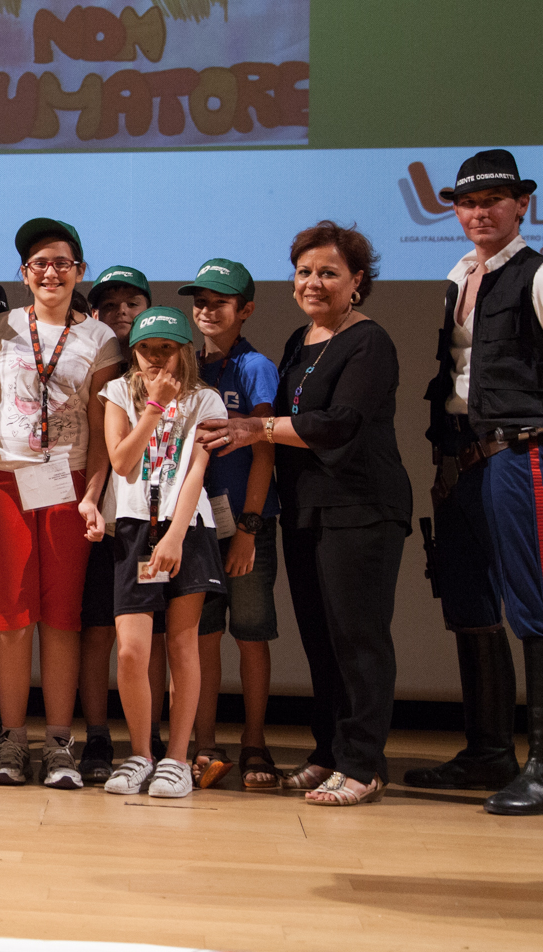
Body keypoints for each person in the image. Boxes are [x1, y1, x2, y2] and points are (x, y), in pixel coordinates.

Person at [409, 150, 543, 816]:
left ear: (521, 204)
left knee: (536, 603)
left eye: (493, 200)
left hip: (518, 454)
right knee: (469, 602)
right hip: (460, 460)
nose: (479, 212)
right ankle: (489, 752)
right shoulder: (458, 275)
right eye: (467, 202)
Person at [201, 222, 411, 806]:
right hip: (307, 510)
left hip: (360, 508)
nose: (313, 282)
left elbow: (340, 423)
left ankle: (364, 765)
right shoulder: (302, 339)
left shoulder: (370, 341)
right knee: (321, 639)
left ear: (357, 281)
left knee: (358, 639)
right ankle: (329, 753)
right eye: (304, 271)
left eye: (328, 273)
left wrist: (257, 427)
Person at [0, 219, 122, 788]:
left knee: (62, 616)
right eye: (39, 263)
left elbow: (102, 429)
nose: (50, 272)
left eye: (62, 263)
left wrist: (93, 495)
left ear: (79, 271)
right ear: (24, 273)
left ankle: (59, 742)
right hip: (3, 481)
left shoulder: (101, 339)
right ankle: (13, 740)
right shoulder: (0, 327)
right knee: (11, 616)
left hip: (69, 483)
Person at [98, 308, 227, 798]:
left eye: (166, 348)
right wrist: (153, 406)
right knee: (132, 650)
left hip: (186, 528)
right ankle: (140, 754)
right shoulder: (119, 393)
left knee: (181, 645)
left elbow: (197, 471)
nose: (155, 357)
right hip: (134, 527)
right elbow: (121, 460)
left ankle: (176, 759)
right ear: (133, 351)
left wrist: (174, 535)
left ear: (184, 351)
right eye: (146, 348)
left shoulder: (206, 399)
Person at [180, 259, 281, 791]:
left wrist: (248, 528)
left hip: (245, 523)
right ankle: (205, 743)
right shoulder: (187, 366)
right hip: (198, 525)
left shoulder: (255, 366)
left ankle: (254, 741)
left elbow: (265, 447)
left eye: (220, 302)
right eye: (200, 301)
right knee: (203, 635)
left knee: (251, 634)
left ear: (245, 310)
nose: (207, 310)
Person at [73, 263, 151, 783]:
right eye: (109, 304)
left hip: (153, 521)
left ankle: (151, 737)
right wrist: (92, 498)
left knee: (152, 636)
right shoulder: (90, 361)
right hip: (100, 513)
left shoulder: (173, 367)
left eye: (132, 303)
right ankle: (98, 734)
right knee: (98, 628)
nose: (121, 312)